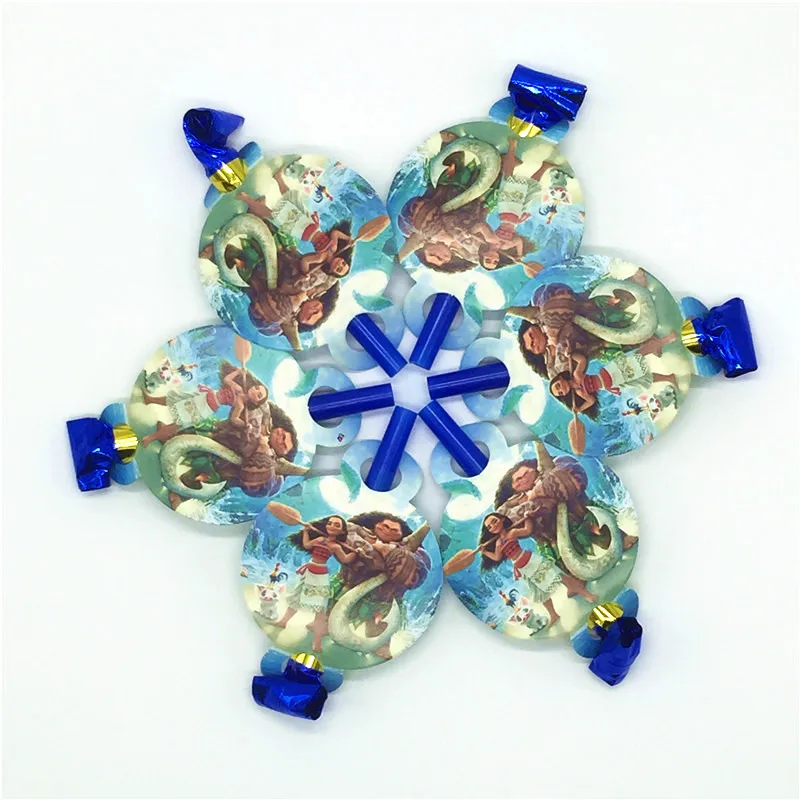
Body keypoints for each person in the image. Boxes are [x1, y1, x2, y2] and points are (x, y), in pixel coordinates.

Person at [277, 516, 359, 652]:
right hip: (308, 572)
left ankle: (317, 641)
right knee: (297, 597)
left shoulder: (336, 546)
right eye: (330, 523)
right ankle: (283, 621)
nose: (332, 526)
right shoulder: (320, 539)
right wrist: (305, 531)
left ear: (342, 531)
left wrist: (356, 553)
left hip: (320, 577)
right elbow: (307, 545)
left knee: (320, 609)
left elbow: (345, 559)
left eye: (337, 525)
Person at [478, 513, 563, 627]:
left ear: (502, 519)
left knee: (556, 574)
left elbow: (527, 530)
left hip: (530, 560)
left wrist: (528, 517)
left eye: (494, 521)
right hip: (521, 569)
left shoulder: (512, 532)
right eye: (489, 527)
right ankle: (553, 614)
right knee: (538, 591)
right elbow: (497, 557)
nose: (493, 526)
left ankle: (581, 591)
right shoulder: (498, 543)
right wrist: (484, 551)